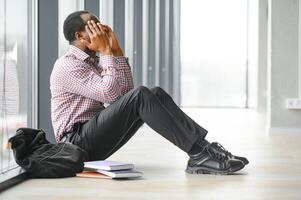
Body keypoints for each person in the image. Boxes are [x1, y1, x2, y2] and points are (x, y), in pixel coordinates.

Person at [50, 11, 249, 175]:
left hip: (91, 135)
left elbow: (124, 95)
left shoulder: (92, 63)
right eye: (93, 25)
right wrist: (107, 53)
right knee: (143, 96)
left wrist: (116, 51)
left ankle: (205, 150)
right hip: (74, 145)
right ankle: (199, 155)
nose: (100, 28)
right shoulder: (67, 65)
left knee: (155, 94)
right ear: (80, 36)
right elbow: (112, 95)